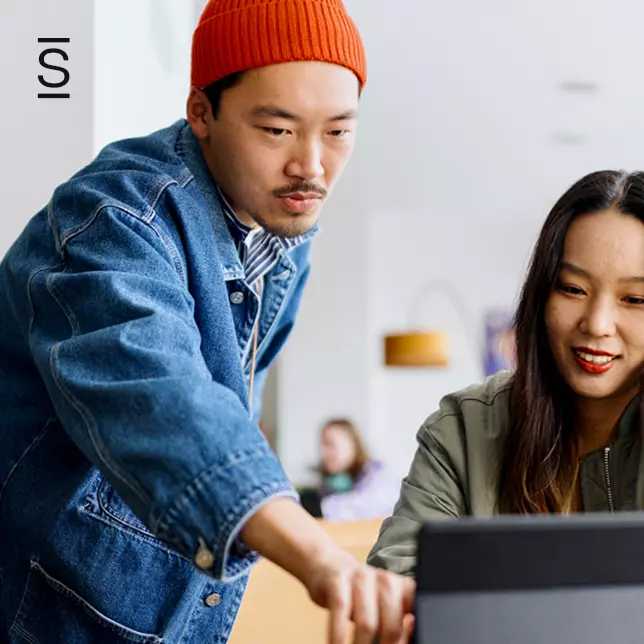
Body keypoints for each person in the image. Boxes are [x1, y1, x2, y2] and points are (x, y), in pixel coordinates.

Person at [0, 1, 415, 642]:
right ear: (202, 113)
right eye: (277, 130)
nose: (311, 165)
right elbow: (161, 400)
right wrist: (325, 558)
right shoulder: (112, 219)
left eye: (337, 131)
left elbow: (232, 406)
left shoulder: (283, 238)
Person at [368, 170, 644, 576]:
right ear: (541, 292)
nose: (598, 323)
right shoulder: (463, 429)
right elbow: (399, 581)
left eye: (635, 298)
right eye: (572, 288)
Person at [303, 418, 401, 522]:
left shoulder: (381, 475)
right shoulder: (329, 485)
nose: (323, 452)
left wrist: (322, 507)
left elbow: (370, 508)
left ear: (353, 445)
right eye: (322, 445)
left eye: (330, 444)